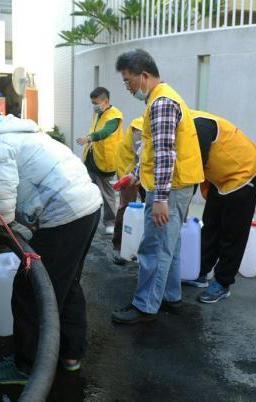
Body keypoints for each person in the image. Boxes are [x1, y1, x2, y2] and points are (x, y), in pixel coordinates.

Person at [0, 104, 102, 384]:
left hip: (65, 213)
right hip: (87, 205)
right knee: (67, 282)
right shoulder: (6, 132)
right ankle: (71, 354)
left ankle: (26, 367)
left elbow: (0, 208)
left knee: (29, 290)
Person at [111, 49, 204, 324]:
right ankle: (170, 296)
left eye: (128, 81)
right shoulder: (161, 98)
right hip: (176, 184)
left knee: (154, 247)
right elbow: (153, 150)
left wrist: (160, 197)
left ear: (144, 75)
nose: (127, 88)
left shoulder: (162, 102)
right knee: (169, 244)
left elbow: (165, 153)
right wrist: (137, 175)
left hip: (170, 188)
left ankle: (144, 305)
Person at [182, 110, 256, 303]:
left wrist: (183, 205)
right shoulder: (184, 128)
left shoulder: (199, 127)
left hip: (244, 172)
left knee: (233, 231)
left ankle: (223, 282)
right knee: (211, 224)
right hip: (221, 177)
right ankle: (201, 272)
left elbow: (193, 171)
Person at [76, 87, 123, 235]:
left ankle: (110, 222)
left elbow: (105, 132)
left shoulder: (114, 116)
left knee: (107, 195)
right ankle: (89, 220)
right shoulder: (100, 113)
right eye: (92, 103)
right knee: (90, 192)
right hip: (92, 159)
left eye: (96, 103)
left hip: (105, 162)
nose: (94, 106)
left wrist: (88, 138)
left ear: (106, 101)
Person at [112, 116, 145, 265]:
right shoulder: (139, 127)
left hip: (144, 173)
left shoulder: (144, 124)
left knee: (146, 209)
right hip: (129, 171)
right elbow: (142, 156)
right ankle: (119, 247)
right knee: (126, 207)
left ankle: (139, 245)